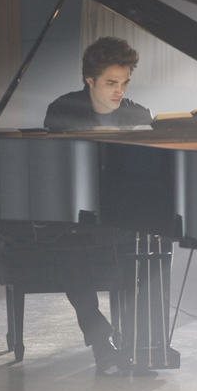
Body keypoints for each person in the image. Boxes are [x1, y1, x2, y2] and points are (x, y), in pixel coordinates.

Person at [44, 37, 153, 371]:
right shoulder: (62, 110)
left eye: (124, 83)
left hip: (122, 211)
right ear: (89, 80)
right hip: (76, 212)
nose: (119, 91)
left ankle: (138, 342)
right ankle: (100, 341)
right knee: (70, 250)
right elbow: (57, 170)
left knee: (147, 247)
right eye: (110, 83)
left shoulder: (137, 114)